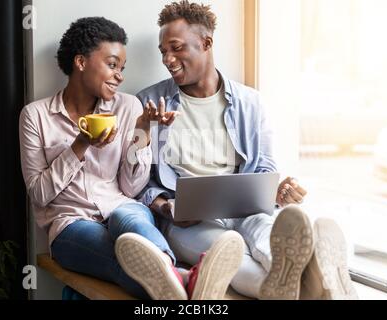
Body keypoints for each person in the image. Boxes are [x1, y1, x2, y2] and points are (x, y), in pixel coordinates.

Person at [136, 0, 358, 300]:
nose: (168, 58)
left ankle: (319, 277)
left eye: (176, 48)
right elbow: (138, 181)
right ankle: (324, 283)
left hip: (248, 211)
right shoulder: (149, 104)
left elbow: (264, 166)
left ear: (206, 42)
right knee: (228, 257)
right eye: (163, 52)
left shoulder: (250, 102)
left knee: (269, 240)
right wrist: (166, 207)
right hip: (188, 222)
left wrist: (278, 191)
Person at [19, 16, 244, 300]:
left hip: (121, 205)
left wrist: (143, 133)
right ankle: (188, 282)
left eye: (122, 68)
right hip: (70, 223)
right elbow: (39, 195)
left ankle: (178, 284)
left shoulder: (128, 107)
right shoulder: (35, 116)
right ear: (81, 62)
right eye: (112, 65)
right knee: (121, 257)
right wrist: (80, 144)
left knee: (135, 224)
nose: (120, 75)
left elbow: (131, 188)